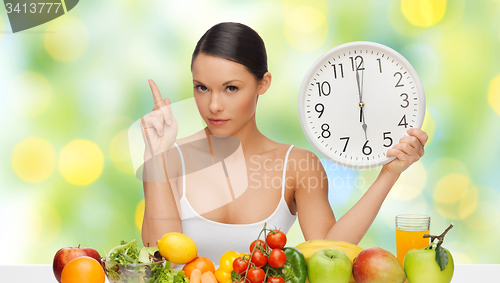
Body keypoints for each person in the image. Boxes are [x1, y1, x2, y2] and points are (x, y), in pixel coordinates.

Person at [139, 22, 428, 265]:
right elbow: (159, 259)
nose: (214, 105)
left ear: (263, 84)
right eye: (202, 87)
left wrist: (390, 173)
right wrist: (157, 159)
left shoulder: (298, 166)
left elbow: (327, 251)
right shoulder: (171, 158)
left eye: (231, 88)